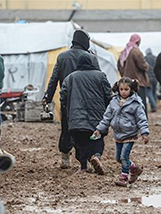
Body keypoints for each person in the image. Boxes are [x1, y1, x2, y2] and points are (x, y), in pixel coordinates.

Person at [43, 30, 100, 169]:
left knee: (67, 128)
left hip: (67, 99)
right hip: (87, 99)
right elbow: (98, 77)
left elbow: (54, 78)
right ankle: (85, 158)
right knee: (85, 127)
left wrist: (47, 97)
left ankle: (65, 158)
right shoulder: (91, 57)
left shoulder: (62, 57)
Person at [60, 54, 112, 174]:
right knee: (97, 138)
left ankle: (83, 166)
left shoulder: (70, 78)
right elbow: (108, 95)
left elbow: (63, 96)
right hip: (97, 116)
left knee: (80, 141)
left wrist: (68, 109)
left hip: (76, 117)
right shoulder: (100, 75)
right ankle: (96, 156)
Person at [93, 77, 149, 186]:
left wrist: (144, 133)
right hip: (118, 134)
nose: (123, 92)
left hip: (130, 134)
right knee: (118, 158)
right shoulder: (114, 102)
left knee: (124, 157)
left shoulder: (135, 103)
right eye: (121, 89)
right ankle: (134, 169)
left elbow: (142, 119)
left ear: (131, 89)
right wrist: (99, 129)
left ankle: (123, 177)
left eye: (126, 89)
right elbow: (107, 117)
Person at [117, 34, 149, 116]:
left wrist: (124, 75)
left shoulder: (124, 52)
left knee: (128, 102)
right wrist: (147, 66)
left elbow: (119, 66)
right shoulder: (136, 52)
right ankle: (142, 120)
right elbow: (143, 66)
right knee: (140, 103)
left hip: (126, 83)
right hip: (138, 82)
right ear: (137, 41)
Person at [145, 48, 158, 112]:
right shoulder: (155, 58)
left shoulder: (145, 58)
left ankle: (154, 105)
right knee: (154, 92)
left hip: (148, 77)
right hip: (155, 77)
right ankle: (154, 105)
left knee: (149, 91)